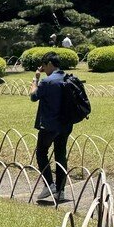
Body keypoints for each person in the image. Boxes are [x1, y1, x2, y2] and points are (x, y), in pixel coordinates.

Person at [29, 52, 73, 202]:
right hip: (65, 124)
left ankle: (49, 185)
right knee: (60, 155)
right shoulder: (67, 78)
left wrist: (35, 79)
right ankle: (60, 190)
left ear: (49, 64)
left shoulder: (47, 81)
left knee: (41, 153)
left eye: (43, 65)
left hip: (49, 125)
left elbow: (33, 96)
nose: (43, 68)